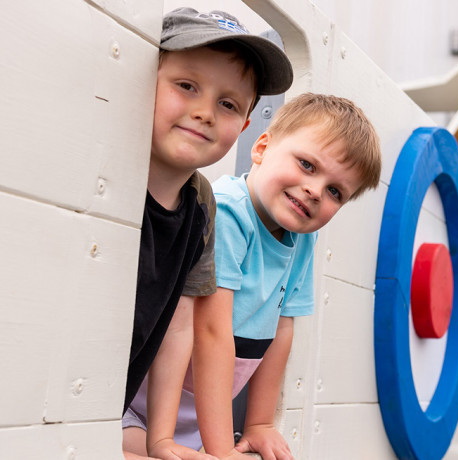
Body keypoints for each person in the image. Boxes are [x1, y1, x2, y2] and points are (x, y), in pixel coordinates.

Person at [124, 93, 382, 460]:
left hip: (197, 419)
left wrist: (259, 423)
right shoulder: (229, 212)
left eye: (334, 191)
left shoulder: (302, 240)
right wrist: (222, 451)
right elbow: (210, 331)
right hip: (139, 406)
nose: (314, 191)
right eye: (307, 165)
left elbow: (281, 332)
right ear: (261, 147)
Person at [122, 7, 293, 460]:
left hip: (124, 406)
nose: (204, 112)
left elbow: (180, 328)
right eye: (187, 86)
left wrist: (161, 439)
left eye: (228, 103)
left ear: (245, 124)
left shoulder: (202, 203)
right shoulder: (116, 179)